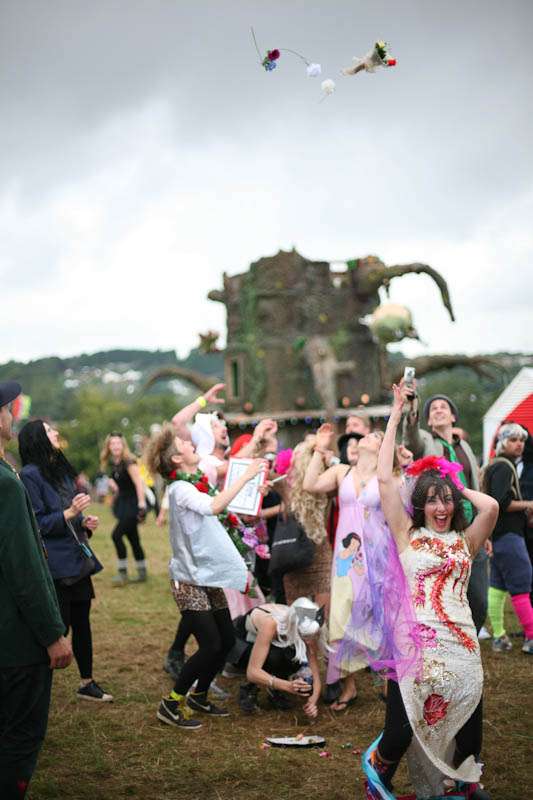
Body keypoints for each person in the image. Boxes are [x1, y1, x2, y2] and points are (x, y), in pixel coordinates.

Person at [364, 383, 498, 800]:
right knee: (401, 729)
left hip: (462, 643)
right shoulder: (407, 533)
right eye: (433, 501)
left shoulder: (466, 540)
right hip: (416, 644)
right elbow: (384, 478)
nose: (441, 509)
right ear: (420, 505)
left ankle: (465, 781)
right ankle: (378, 772)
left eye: (447, 502)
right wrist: (394, 414)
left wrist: (450, 481)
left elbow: (491, 507)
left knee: (468, 712)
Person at [146, 423, 266, 730]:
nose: (191, 445)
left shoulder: (196, 481)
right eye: (185, 445)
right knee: (211, 645)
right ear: (176, 459)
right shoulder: (181, 489)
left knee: (225, 641)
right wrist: (246, 477)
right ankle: (171, 703)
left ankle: (199, 696)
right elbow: (214, 506)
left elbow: (221, 504)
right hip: (188, 580)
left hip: (206, 575)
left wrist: (253, 490)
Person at [0, 381, 73, 799]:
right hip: (16, 642)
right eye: (6, 409)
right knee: (20, 739)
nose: (12, 415)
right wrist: (52, 633)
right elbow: (24, 567)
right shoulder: (7, 484)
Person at [18, 419, 112, 703]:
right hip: (55, 566)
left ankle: (87, 683)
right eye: (49, 430)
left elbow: (70, 515)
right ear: (37, 438)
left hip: (77, 560)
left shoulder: (60, 470)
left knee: (82, 623)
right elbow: (36, 524)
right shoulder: (29, 475)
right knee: (59, 629)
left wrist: (83, 522)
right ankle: (32, 689)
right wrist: (70, 513)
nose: (56, 432)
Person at [303, 423, 395, 712]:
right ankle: (349, 685)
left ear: (383, 448)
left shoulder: (388, 476)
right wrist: (320, 448)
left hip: (377, 555)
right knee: (342, 614)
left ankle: (388, 680)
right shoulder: (341, 471)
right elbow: (310, 484)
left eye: (376, 436)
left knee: (379, 614)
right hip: (346, 558)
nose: (368, 436)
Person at [403, 388, 489, 634]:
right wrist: (412, 408)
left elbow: (475, 485)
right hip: (441, 528)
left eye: (444, 407)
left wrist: (485, 532)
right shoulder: (426, 442)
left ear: (453, 417)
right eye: (433, 409)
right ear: (429, 421)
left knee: (479, 599)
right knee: (443, 595)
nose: (438, 410)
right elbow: (411, 437)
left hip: (470, 528)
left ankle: (469, 638)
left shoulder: (465, 448)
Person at [483, 423, 533, 654]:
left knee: (497, 586)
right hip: (510, 536)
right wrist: (529, 504)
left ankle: (499, 637)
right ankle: (531, 637)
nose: (519, 444)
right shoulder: (504, 466)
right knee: (521, 586)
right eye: (513, 440)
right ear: (502, 443)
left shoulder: (494, 465)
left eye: (521, 440)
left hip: (498, 535)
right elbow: (502, 502)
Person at [232, 598, 326, 716]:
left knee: (294, 655)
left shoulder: (309, 626)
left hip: (272, 643)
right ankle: (250, 688)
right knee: (275, 657)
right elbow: (252, 672)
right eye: (305, 637)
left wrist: (313, 702)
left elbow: (315, 675)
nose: (309, 641)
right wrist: (287, 686)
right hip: (240, 643)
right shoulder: (271, 623)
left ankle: (274, 689)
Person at [275, 436, 332, 612]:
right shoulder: (284, 484)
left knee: (315, 620)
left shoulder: (324, 484)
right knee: (303, 621)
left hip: (318, 558)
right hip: (295, 561)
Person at [100, 432, 147, 585]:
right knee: (133, 539)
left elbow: (139, 484)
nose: (115, 446)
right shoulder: (114, 463)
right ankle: (142, 572)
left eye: (118, 443)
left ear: (123, 445)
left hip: (133, 505)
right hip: (123, 504)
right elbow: (122, 485)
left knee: (116, 535)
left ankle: (122, 573)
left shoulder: (129, 462)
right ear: (108, 446)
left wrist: (142, 504)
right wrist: (114, 487)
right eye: (112, 443)